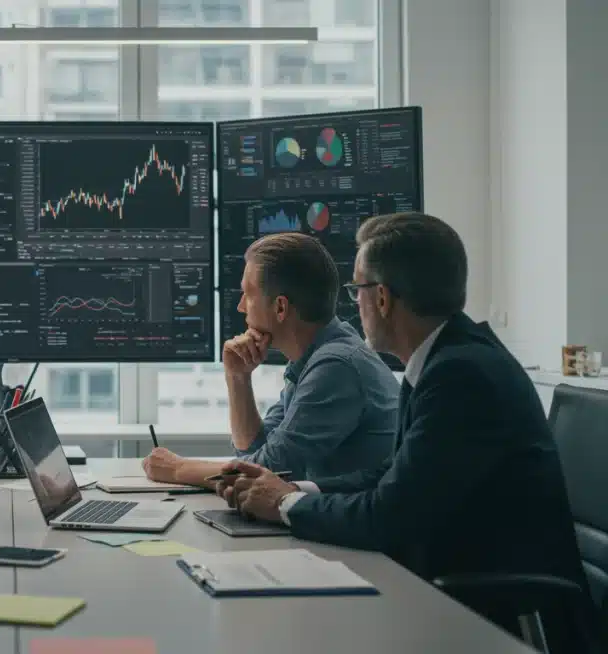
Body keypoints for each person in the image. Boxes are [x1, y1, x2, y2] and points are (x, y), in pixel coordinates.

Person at [218, 213, 588, 643]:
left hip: (500, 612)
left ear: (382, 299)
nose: (352, 305)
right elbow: (391, 476)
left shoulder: (461, 374)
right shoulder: (446, 360)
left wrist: (286, 506)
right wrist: (295, 493)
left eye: (357, 290)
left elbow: (390, 514)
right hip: (454, 583)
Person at [144, 232, 397, 484]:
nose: (241, 306)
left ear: (280, 308)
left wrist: (178, 470)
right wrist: (237, 376)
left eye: (248, 294)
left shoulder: (337, 366)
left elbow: (269, 471)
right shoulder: (313, 358)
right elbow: (253, 450)